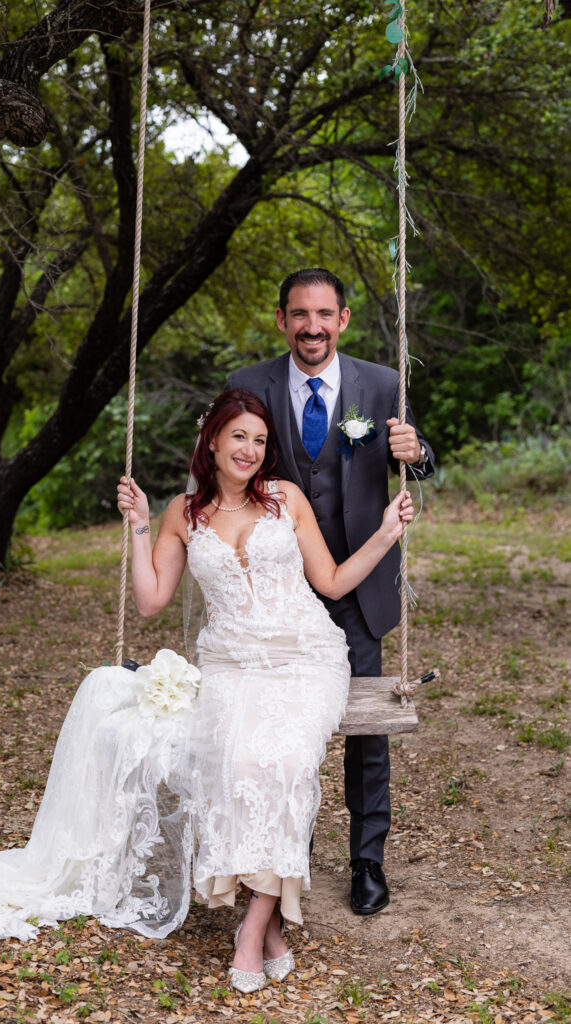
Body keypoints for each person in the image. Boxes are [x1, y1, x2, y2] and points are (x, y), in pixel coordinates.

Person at [0, 389, 413, 994]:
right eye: (238, 436)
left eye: (260, 441)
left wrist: (383, 533)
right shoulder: (184, 513)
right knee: (238, 761)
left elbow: (330, 580)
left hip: (308, 659)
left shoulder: (285, 500)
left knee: (289, 761)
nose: (250, 450)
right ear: (213, 440)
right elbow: (149, 601)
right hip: (232, 664)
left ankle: (253, 927)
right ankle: (270, 926)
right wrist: (139, 529)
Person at [228, 268, 435, 916]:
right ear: (282, 319)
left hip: (360, 586)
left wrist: (416, 449)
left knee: (365, 733)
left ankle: (366, 860)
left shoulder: (381, 383)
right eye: (298, 314)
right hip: (281, 594)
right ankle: (277, 856)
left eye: (323, 314)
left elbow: (423, 464)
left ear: (341, 319)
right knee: (276, 731)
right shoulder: (249, 387)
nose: (311, 327)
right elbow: (224, 470)